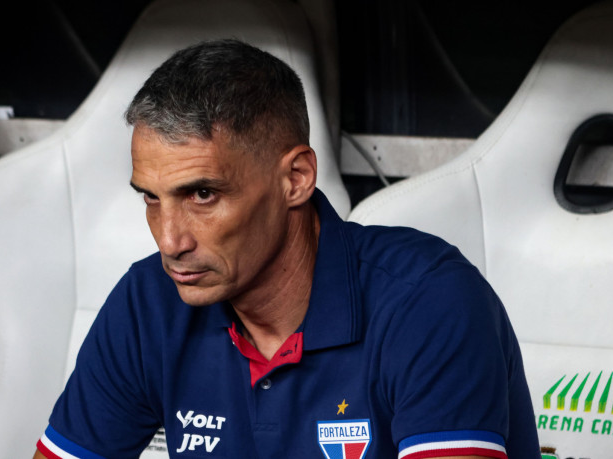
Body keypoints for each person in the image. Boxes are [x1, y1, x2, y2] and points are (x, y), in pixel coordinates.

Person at [33, 39, 540, 459]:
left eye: (202, 195)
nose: (170, 241)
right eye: (151, 197)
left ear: (295, 178)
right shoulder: (148, 301)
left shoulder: (429, 300)